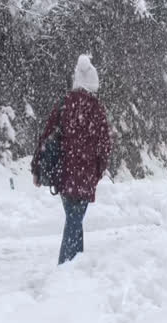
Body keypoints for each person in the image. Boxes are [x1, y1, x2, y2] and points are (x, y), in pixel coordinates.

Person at [32, 55, 112, 264]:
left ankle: (76, 264)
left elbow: (45, 136)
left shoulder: (64, 104)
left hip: (64, 173)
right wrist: (98, 169)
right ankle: (66, 267)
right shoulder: (96, 109)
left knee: (73, 220)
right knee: (74, 221)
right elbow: (105, 146)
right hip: (85, 175)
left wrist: (36, 168)